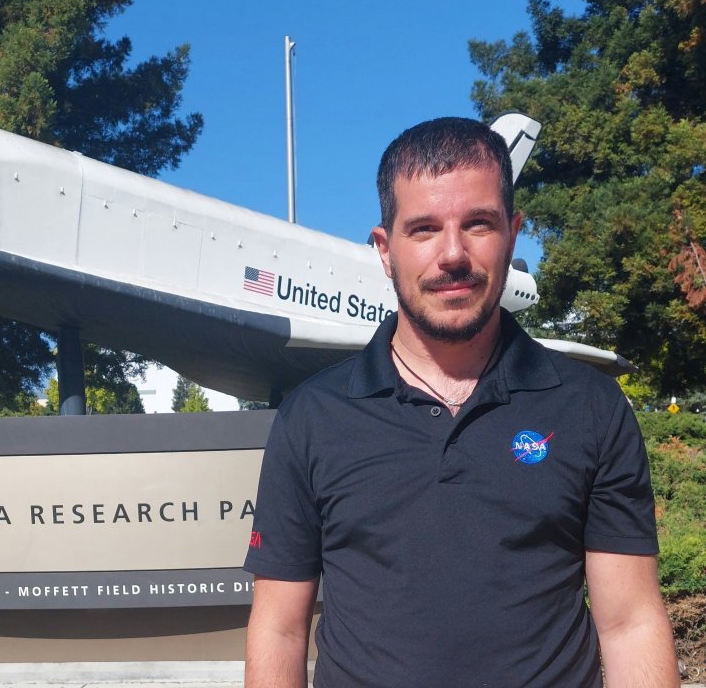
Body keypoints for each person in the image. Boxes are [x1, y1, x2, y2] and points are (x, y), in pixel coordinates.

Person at [243, 117, 679, 687]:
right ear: (384, 248)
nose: (453, 254)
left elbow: (630, 623)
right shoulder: (313, 415)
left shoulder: (589, 407)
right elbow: (279, 625)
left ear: (513, 234)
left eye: (478, 224)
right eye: (423, 228)